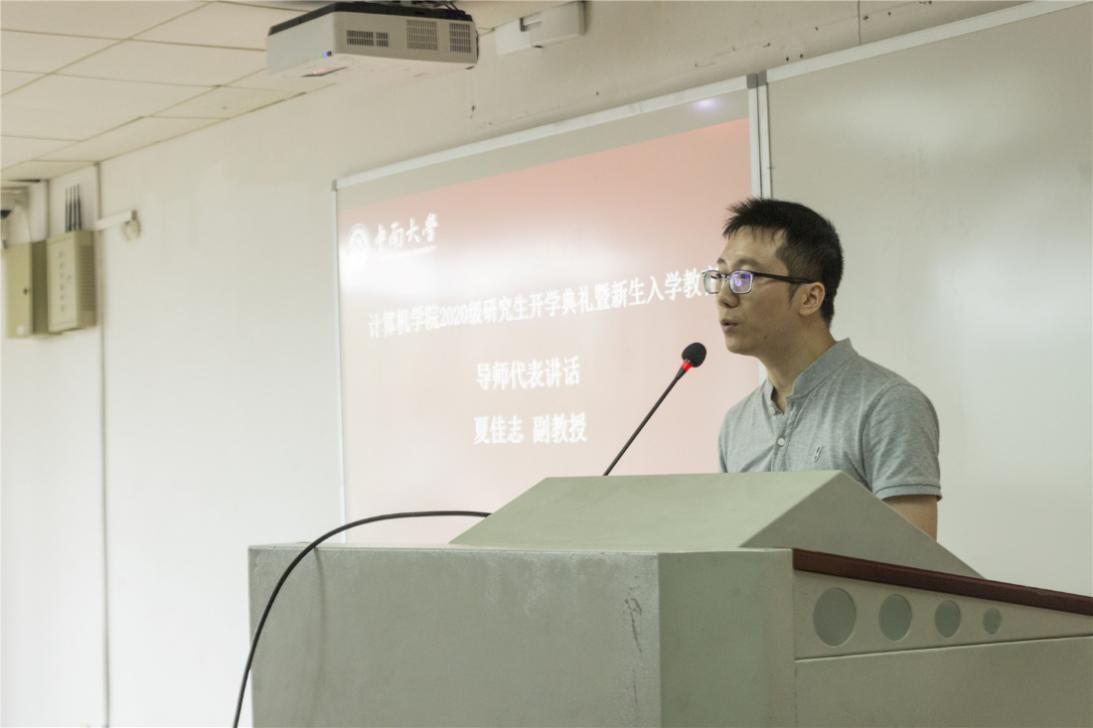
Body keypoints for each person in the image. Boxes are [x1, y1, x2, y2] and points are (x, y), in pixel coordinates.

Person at [704, 197, 940, 538]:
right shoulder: (737, 424)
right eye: (721, 276)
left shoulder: (887, 404)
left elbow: (913, 559)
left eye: (745, 277)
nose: (724, 296)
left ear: (810, 298)